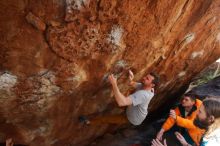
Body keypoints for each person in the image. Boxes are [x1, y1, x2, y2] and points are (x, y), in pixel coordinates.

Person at [79, 70, 159, 126]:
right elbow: (132, 84)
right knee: (114, 102)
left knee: (108, 119)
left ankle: (88, 122)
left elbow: (122, 102)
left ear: (152, 85)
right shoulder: (144, 86)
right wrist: (131, 78)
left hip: (132, 118)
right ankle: (101, 110)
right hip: (131, 107)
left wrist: (114, 83)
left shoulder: (143, 94)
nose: (144, 78)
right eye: (146, 76)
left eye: (147, 79)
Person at [151, 97, 220, 146]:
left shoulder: (211, 142)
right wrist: (186, 144)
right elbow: (171, 119)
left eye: (200, 112)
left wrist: (176, 118)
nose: (196, 113)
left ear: (211, 119)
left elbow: (190, 124)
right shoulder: (208, 128)